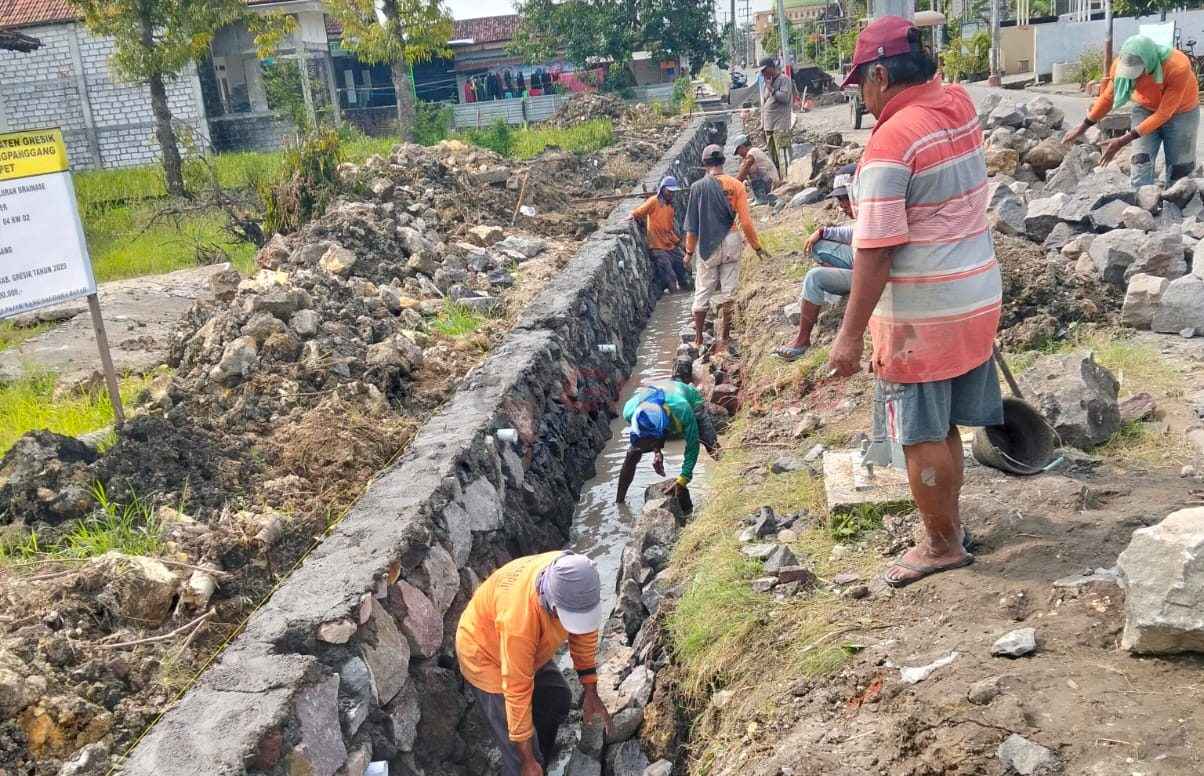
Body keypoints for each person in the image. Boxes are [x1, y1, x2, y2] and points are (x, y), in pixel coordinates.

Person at [829, 16, 1003, 588]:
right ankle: (949, 528)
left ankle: (940, 544)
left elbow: (875, 252)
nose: (861, 96)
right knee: (944, 424)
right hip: (974, 295)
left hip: (923, 319)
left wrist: (849, 336)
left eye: (861, 84)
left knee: (919, 432)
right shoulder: (957, 103)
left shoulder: (892, 139)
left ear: (880, 74)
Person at [457, 551, 613, 776]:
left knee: (557, 698)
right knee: (519, 760)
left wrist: (591, 691)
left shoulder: (577, 578)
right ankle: (530, 762)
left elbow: (584, 635)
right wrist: (528, 760)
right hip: (485, 656)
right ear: (552, 603)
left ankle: (542, 758)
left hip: (528, 647)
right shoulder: (519, 622)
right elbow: (516, 690)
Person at [1064, 34, 1200, 187]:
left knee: (1180, 170)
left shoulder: (1177, 66)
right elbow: (1108, 98)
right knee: (1140, 162)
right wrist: (1083, 127)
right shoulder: (1119, 65)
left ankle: (1179, 205)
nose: (1133, 80)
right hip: (1145, 109)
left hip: (1182, 113)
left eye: (1138, 74)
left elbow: (1164, 113)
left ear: (1149, 63)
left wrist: (1122, 141)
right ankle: (1140, 204)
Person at [683, 144, 767, 353]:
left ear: (704, 164)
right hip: (731, 240)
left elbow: (692, 228)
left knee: (703, 290)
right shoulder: (736, 185)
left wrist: (688, 253)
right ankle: (724, 338)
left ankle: (699, 337)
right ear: (722, 162)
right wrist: (756, 247)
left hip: (707, 243)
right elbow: (746, 223)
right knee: (729, 291)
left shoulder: (697, 188)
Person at [775, 164, 857, 361]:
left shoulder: (873, 214)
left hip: (872, 273)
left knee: (814, 277)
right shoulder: (867, 212)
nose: (842, 206)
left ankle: (802, 340)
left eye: (845, 199)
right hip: (862, 261)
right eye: (840, 200)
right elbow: (854, 232)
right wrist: (822, 232)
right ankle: (834, 284)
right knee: (816, 245)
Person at [616, 381, 720, 503]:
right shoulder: (629, 411)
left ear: (662, 432)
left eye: (652, 442)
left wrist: (683, 479)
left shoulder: (682, 410)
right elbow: (648, 436)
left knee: (710, 443)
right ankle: (619, 501)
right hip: (660, 400)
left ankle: (729, 470)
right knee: (633, 453)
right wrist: (657, 452)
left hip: (689, 401)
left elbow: (693, 445)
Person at [630, 176, 689, 293]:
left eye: (673, 192)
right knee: (670, 274)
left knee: (683, 266)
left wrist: (679, 243)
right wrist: (631, 215)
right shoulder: (653, 201)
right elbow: (638, 212)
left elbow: (669, 229)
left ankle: (686, 290)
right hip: (657, 247)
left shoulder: (670, 207)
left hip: (669, 245)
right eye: (669, 191)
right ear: (662, 189)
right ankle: (675, 298)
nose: (671, 194)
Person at [759, 57, 794, 178]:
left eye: (764, 70)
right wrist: (762, 124)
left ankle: (788, 177)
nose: (763, 73)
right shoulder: (765, 83)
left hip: (780, 125)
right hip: (768, 126)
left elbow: (784, 98)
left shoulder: (784, 80)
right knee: (773, 157)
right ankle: (778, 178)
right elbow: (764, 105)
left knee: (784, 155)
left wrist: (771, 89)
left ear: (771, 67)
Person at [733, 135, 781, 204]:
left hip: (771, 182)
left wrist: (732, 185)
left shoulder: (752, 152)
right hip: (769, 181)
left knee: (753, 175)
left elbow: (743, 173)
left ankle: (761, 199)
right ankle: (759, 197)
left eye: (738, 152)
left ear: (742, 147)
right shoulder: (753, 152)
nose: (739, 155)